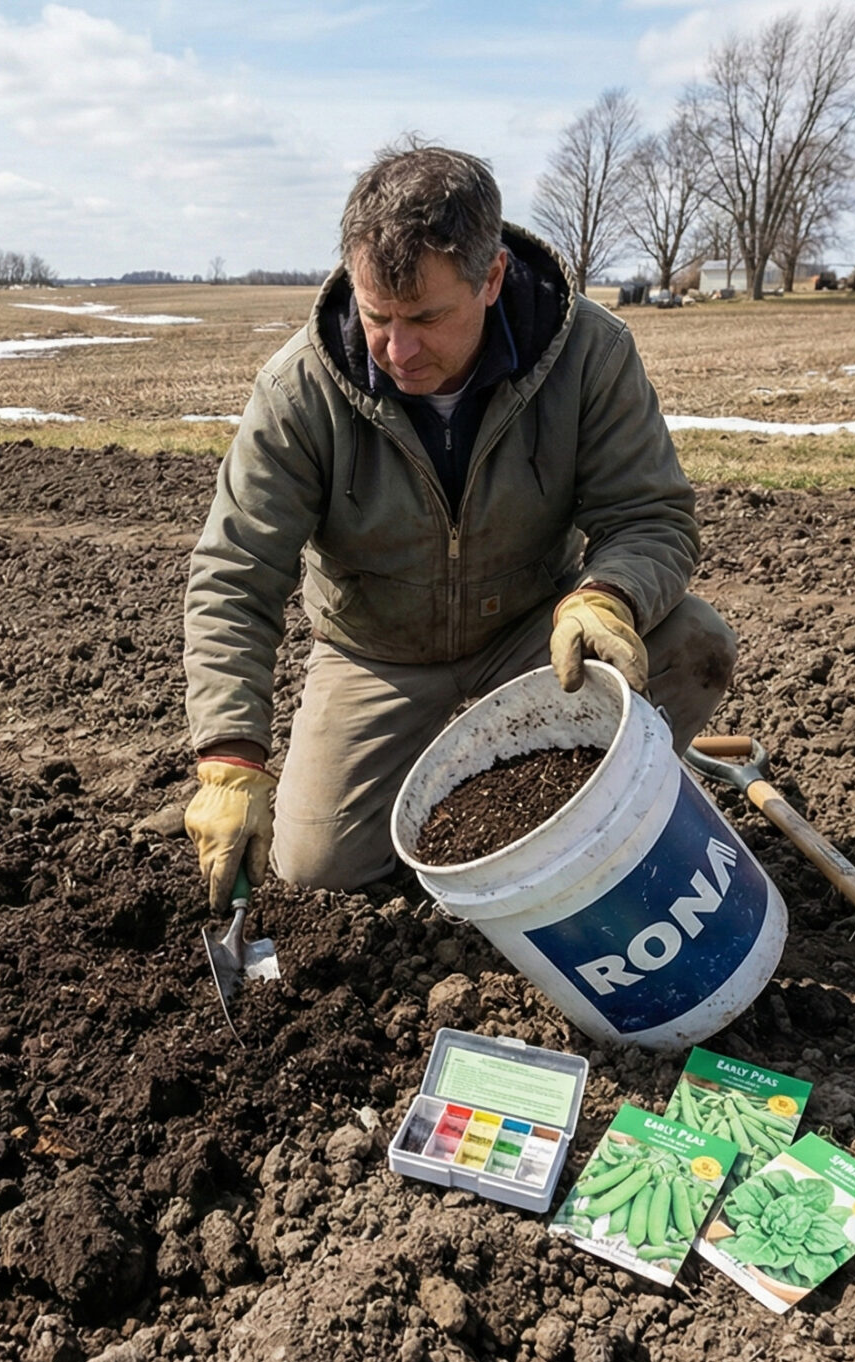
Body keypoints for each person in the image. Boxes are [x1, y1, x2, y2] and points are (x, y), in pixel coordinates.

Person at [181, 140, 737, 911]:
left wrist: (606, 596)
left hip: (531, 630)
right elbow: (235, 573)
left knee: (693, 642)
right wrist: (230, 757)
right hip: (378, 650)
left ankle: (583, 829)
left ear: (493, 279)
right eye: (377, 317)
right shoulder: (300, 389)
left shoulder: (588, 354)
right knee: (316, 865)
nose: (398, 350)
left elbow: (649, 513)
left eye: (426, 318)